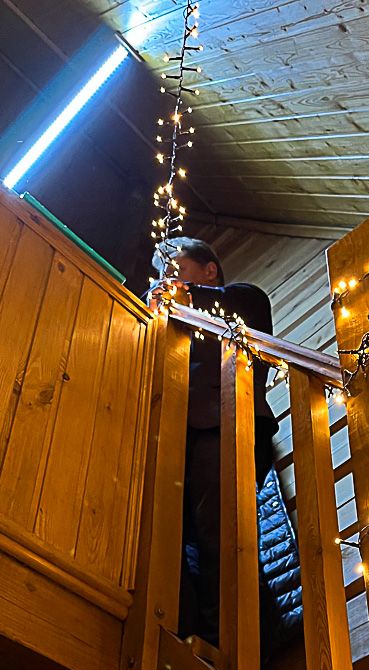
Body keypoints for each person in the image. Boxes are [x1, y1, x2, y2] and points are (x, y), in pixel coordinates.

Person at [151, 237, 278, 646]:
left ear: (209, 269)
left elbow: (237, 310)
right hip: (179, 438)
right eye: (161, 275)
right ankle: (200, 637)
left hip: (224, 422)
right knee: (175, 544)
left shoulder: (242, 297)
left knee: (219, 532)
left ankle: (239, 638)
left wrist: (178, 296)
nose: (167, 281)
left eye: (176, 269)